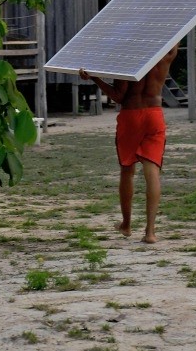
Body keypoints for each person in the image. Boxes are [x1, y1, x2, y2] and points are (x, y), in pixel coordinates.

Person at [78, 45, 178, 243]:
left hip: (130, 116)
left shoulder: (126, 55)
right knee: (152, 171)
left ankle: (126, 225)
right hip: (154, 114)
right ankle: (150, 232)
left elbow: (118, 96)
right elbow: (177, 35)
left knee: (127, 170)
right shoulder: (167, 53)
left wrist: (95, 78)